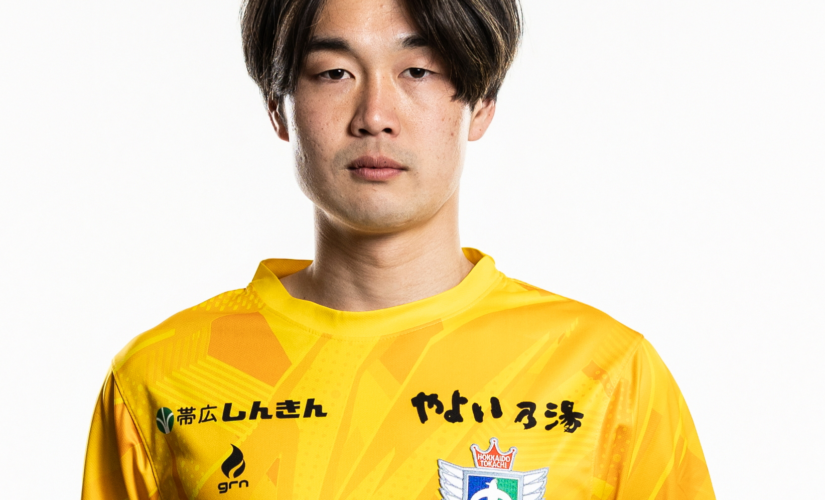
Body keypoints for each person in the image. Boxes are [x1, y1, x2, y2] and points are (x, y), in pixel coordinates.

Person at [81, 0, 716, 498]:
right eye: (334, 73)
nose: (375, 114)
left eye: (418, 71)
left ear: (482, 103)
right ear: (279, 107)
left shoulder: (608, 373)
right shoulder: (160, 378)